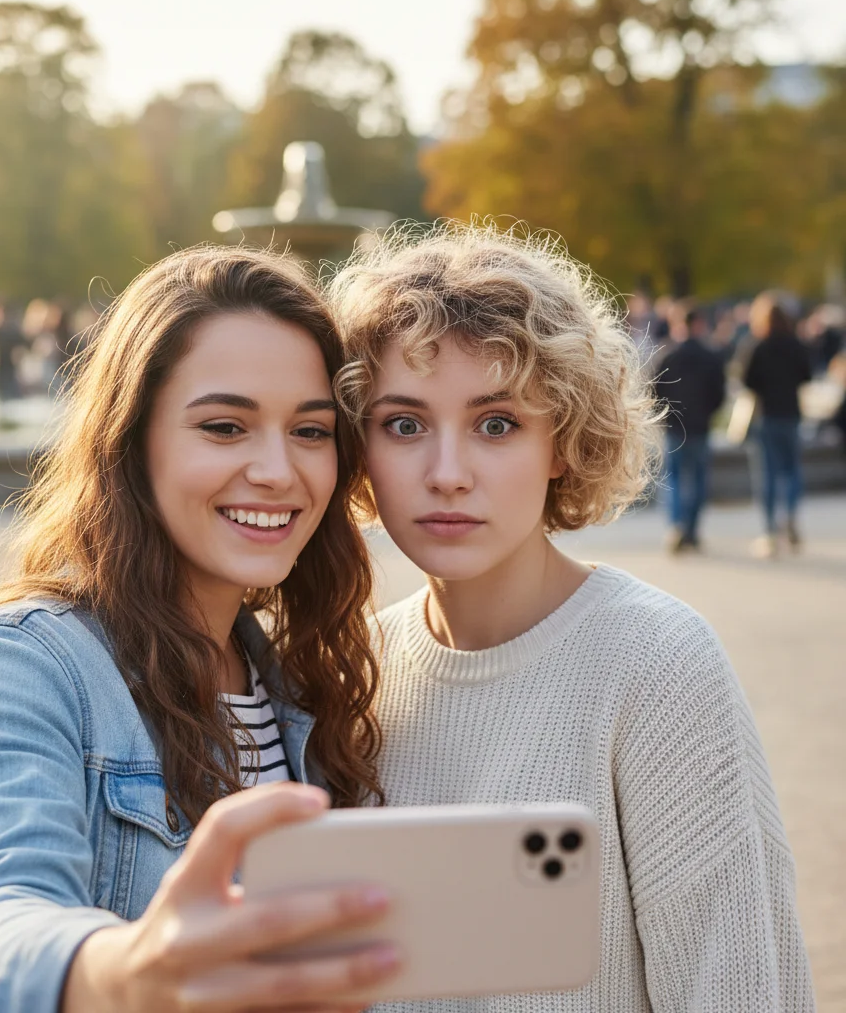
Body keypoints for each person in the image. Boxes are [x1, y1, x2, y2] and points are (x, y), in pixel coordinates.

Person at [0, 247, 399, 1013]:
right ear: (131, 441)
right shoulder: (21, 665)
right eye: (224, 427)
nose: (279, 471)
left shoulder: (295, 688)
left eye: (311, 432)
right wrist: (126, 971)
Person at [330, 224, 815, 1012]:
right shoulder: (356, 670)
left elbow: (740, 990)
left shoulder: (655, 663)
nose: (447, 475)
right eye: (404, 424)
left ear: (562, 439)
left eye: (497, 424)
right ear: (360, 445)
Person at [651, 305, 726, 552]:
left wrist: (665, 415)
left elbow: (654, 392)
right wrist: (707, 412)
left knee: (672, 478)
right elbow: (719, 395)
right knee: (698, 478)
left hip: (674, 425)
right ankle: (692, 529)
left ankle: (676, 524)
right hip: (700, 426)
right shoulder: (711, 356)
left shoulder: (668, 355)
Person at [743, 293, 812, 556]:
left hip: (766, 415)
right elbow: (807, 375)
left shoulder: (758, 346)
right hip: (791, 413)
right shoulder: (796, 344)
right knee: (792, 470)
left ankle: (770, 530)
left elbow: (746, 380)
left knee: (768, 474)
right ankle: (791, 515)